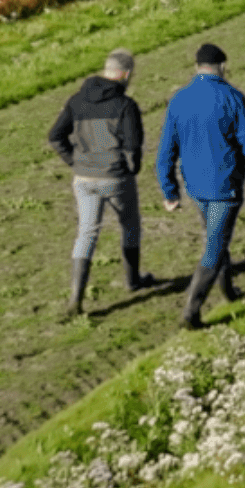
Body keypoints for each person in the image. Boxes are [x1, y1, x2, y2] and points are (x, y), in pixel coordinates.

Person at [155, 41, 245, 329]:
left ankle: (229, 292)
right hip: (224, 186)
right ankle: (190, 314)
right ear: (223, 67)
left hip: (195, 187)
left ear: (196, 68)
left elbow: (166, 149)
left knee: (217, 237)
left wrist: (170, 190)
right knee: (215, 248)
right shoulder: (233, 98)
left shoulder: (179, 100)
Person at [47, 48, 156, 317]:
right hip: (115, 177)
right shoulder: (125, 105)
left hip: (83, 179)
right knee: (130, 225)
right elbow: (133, 145)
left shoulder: (76, 101)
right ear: (126, 74)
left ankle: (75, 300)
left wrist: (75, 162)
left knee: (87, 233)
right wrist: (133, 169)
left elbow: (55, 136)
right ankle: (133, 281)